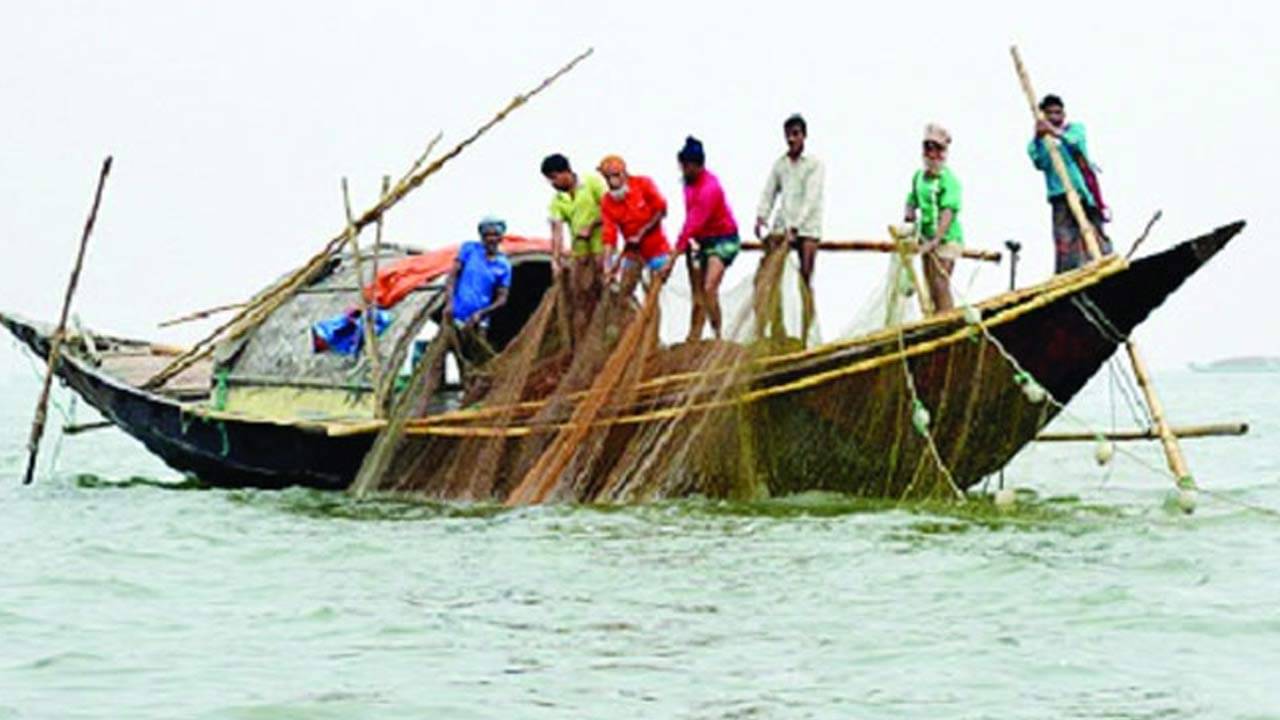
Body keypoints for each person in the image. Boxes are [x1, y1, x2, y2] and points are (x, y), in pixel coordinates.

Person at [755, 113, 824, 338]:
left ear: (804, 136)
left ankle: (806, 332)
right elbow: (769, 191)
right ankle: (777, 327)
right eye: (788, 135)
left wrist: (796, 226)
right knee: (770, 275)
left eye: (795, 134)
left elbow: (811, 199)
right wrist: (761, 216)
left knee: (805, 278)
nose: (791, 139)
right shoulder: (781, 165)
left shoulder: (814, 165)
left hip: (808, 227)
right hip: (783, 225)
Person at [1027, 94, 1113, 273]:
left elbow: (1075, 142)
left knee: (1093, 232)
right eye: (1049, 113)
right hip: (1059, 195)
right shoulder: (1037, 143)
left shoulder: (1075, 129)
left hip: (1083, 192)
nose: (1054, 117)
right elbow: (1040, 162)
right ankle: (1069, 272)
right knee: (1065, 238)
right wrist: (1040, 137)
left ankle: (1103, 262)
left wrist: (1053, 131)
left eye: (1057, 112)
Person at [676, 136, 740, 341]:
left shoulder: (710, 188)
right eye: (681, 166)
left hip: (723, 240)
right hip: (701, 241)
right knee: (697, 294)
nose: (683, 170)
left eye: (687, 166)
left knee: (709, 288)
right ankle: (694, 334)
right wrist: (690, 244)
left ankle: (717, 333)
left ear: (698, 166)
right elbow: (690, 216)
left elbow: (693, 222)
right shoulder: (687, 184)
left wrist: (673, 255)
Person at [541, 153, 606, 337]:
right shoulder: (557, 201)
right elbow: (557, 231)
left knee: (603, 288)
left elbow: (610, 209)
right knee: (581, 295)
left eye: (554, 177)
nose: (553, 183)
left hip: (601, 246)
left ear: (566, 172)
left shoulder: (591, 183)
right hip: (580, 252)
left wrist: (591, 226)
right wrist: (556, 259)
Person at [904, 123, 963, 313]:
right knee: (929, 285)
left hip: (947, 239)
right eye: (928, 148)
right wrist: (909, 214)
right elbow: (912, 199)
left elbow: (948, 211)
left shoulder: (948, 180)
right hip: (926, 238)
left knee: (940, 282)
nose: (932, 153)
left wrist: (937, 239)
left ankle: (947, 319)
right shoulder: (919, 177)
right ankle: (934, 318)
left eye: (937, 149)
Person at [597, 154, 672, 298]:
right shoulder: (607, 202)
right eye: (608, 178)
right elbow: (609, 236)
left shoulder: (643, 184)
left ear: (624, 173)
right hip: (632, 254)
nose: (612, 182)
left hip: (657, 250)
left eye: (615, 176)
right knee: (623, 293)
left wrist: (641, 234)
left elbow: (661, 210)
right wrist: (607, 266)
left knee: (654, 295)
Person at [444, 215, 512, 337]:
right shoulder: (469, 249)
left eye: (495, 235)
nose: (491, 239)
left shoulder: (503, 265)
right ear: (481, 237)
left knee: (475, 346)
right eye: (487, 235)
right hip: (456, 315)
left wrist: (481, 314)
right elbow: (452, 277)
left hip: (479, 322)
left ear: (501, 238)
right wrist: (449, 303)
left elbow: (502, 299)